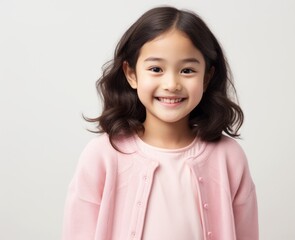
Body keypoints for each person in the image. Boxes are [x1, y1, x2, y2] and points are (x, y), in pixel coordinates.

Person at [62, 6, 258, 240]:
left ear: (207, 77)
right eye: (156, 69)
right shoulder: (103, 155)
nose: (172, 84)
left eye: (187, 70)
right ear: (131, 74)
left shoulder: (229, 156)